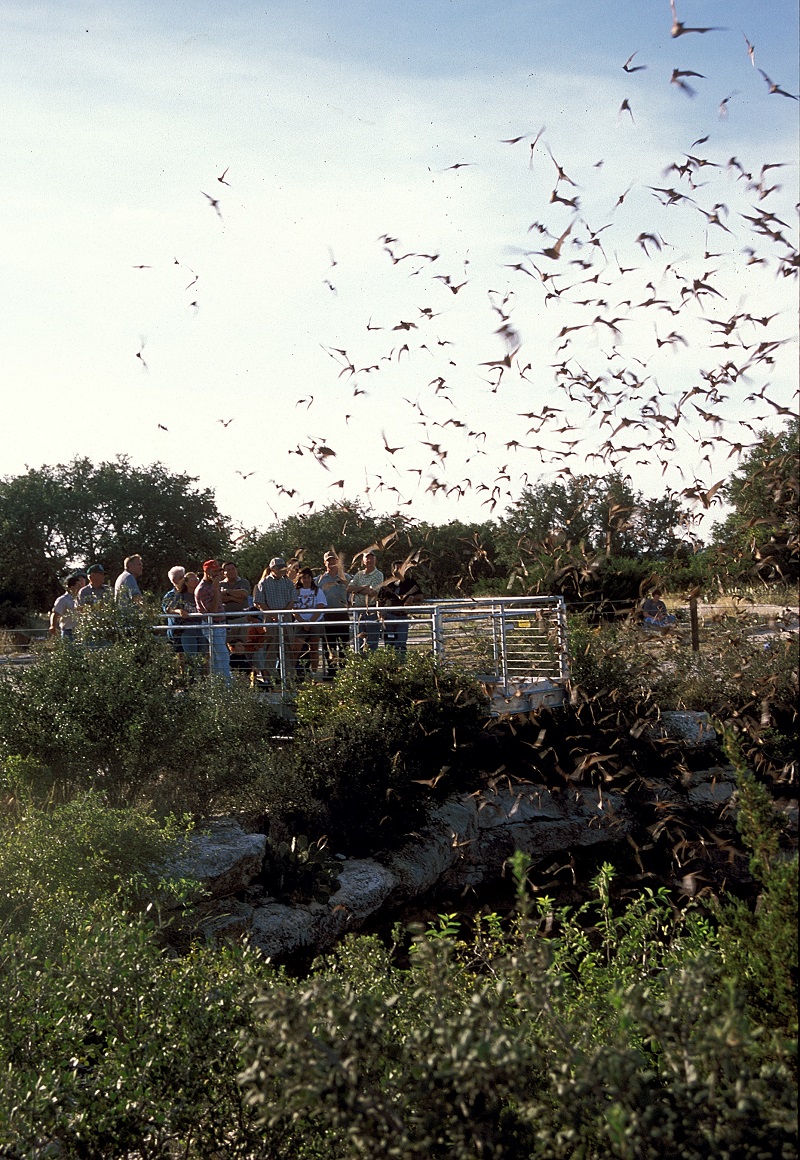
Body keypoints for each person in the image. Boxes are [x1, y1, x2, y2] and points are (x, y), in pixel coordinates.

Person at [253, 557, 297, 683]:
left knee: (288, 647)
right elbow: (260, 603)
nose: (282, 569)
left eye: (283, 567)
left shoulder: (288, 582)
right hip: (270, 620)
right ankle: (271, 679)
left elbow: (293, 600)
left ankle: (288, 678)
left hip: (286, 618)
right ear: (272, 569)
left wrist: (284, 613)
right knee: (270, 648)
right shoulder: (264, 583)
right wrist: (273, 615)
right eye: (279, 567)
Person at [194, 559, 231, 684]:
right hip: (211, 625)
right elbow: (213, 610)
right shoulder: (202, 589)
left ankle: (217, 685)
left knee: (217, 658)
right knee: (223, 655)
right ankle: (227, 686)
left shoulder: (214, 585)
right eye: (215, 571)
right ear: (208, 571)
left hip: (221, 624)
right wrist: (216, 589)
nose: (217, 574)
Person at [377, 561, 422, 658]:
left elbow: (420, 595)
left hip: (403, 617)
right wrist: (380, 614)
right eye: (396, 568)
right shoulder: (387, 584)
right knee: (389, 644)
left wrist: (412, 597)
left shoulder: (411, 582)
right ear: (392, 570)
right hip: (389, 616)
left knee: (401, 644)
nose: (398, 571)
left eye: (401, 569)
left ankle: (401, 665)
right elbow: (380, 600)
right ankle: (389, 666)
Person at [316, 551, 352, 673]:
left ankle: (344, 670)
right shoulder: (318, 580)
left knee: (343, 644)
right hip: (327, 616)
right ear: (324, 562)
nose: (331, 563)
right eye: (329, 560)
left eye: (334, 560)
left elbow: (353, 593)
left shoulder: (346, 578)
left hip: (342, 614)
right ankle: (331, 671)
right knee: (329, 645)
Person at [293, 567, 327, 675]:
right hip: (300, 622)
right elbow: (293, 609)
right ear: (300, 579)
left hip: (315, 621)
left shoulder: (317, 591)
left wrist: (310, 622)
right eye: (303, 577)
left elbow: (320, 606)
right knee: (296, 648)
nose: (306, 580)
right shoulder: (296, 592)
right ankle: (294, 671)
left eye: (308, 577)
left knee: (314, 648)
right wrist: (302, 622)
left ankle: (314, 673)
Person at [347, 550, 384, 651]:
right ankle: (359, 662)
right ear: (363, 561)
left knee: (372, 641)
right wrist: (364, 587)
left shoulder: (379, 575)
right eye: (367, 558)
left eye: (371, 558)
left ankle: (371, 664)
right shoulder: (359, 574)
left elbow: (373, 592)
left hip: (371, 610)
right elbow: (349, 588)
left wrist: (357, 589)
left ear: (375, 560)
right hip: (358, 610)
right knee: (358, 640)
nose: (369, 560)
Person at [220, 561, 252, 672]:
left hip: (242, 619)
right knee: (227, 648)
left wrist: (227, 592)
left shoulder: (243, 582)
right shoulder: (220, 584)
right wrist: (234, 598)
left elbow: (244, 594)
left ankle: (244, 674)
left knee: (242, 647)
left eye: (232, 569)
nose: (231, 572)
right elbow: (219, 598)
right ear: (223, 572)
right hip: (227, 621)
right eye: (228, 570)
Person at [50, 573, 87, 641]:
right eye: (78, 585)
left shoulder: (81, 599)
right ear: (72, 587)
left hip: (82, 631)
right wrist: (53, 626)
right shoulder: (63, 599)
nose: (80, 587)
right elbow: (55, 613)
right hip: (69, 632)